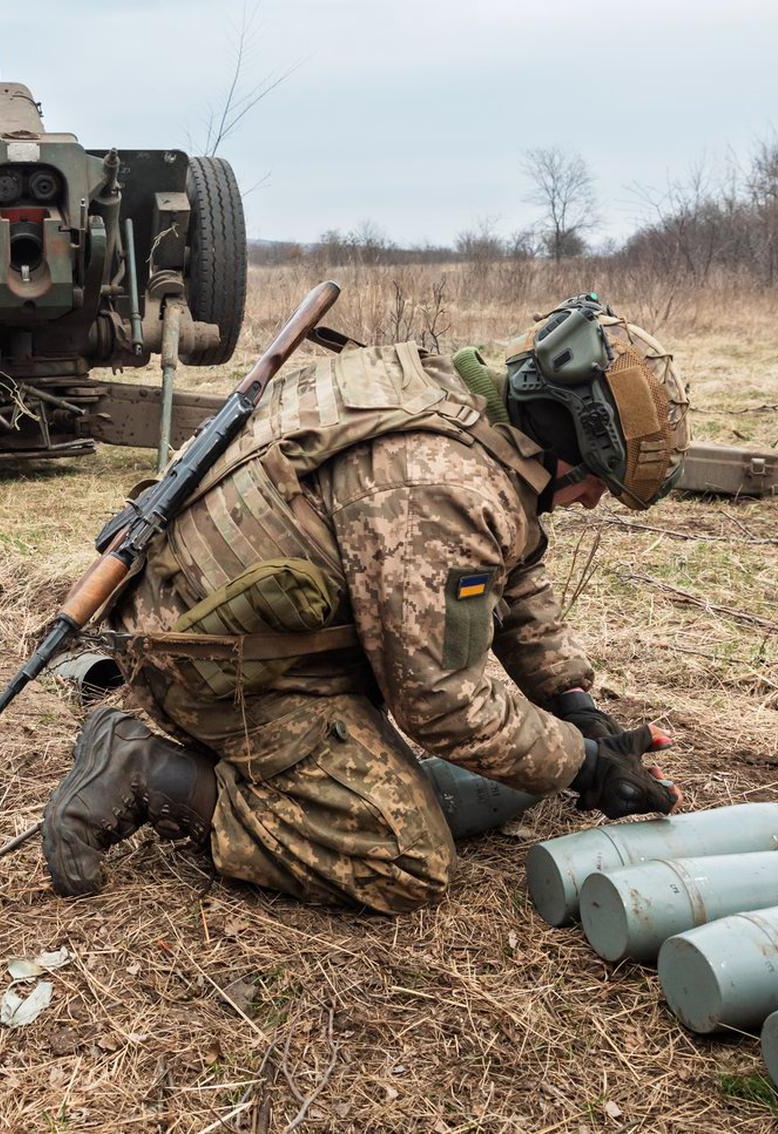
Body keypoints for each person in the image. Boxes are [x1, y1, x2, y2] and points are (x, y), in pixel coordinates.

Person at [43, 292, 689, 914]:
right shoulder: (442, 485)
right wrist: (583, 764)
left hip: (208, 615)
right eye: (597, 485)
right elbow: (440, 704)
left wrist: (572, 702)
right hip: (214, 667)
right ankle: (154, 770)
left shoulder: (456, 398)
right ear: (571, 444)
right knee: (407, 856)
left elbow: (511, 562)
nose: (590, 503)